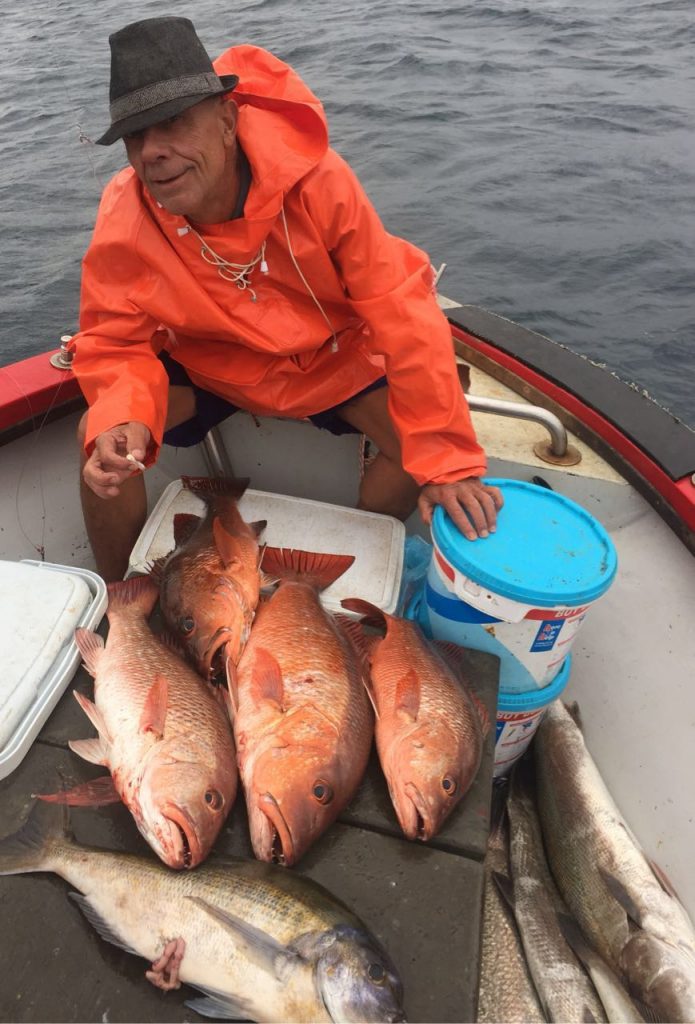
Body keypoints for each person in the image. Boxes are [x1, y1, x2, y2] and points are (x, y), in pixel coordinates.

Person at [73, 16, 503, 582]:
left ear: (227, 121)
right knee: (100, 445)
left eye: (173, 123)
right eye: (136, 137)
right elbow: (111, 338)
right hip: (213, 369)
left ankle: (343, 578)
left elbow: (399, 306)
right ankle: (120, 601)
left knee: (420, 455)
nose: (153, 152)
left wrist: (448, 461)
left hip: (334, 362)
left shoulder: (318, 181)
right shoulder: (124, 211)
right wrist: (119, 417)